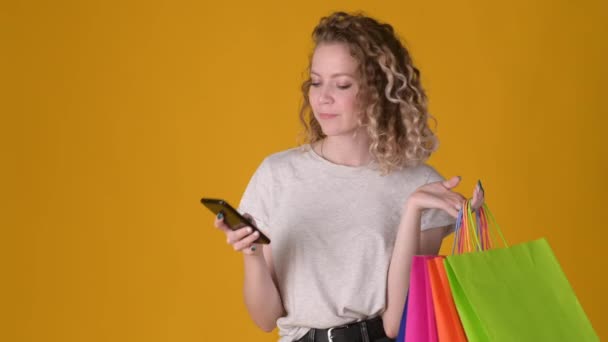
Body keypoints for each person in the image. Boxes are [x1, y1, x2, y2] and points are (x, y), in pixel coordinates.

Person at [213, 11, 484, 342]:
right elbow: (266, 318)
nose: (322, 97)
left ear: (377, 91)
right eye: (315, 81)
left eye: (342, 84)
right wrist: (251, 253)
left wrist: (414, 210)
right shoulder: (276, 175)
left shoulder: (419, 185)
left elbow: (397, 325)